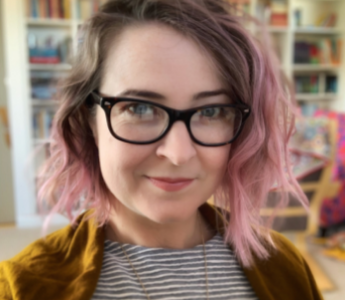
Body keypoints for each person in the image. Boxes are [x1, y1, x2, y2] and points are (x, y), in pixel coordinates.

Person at [0, 0, 323, 299]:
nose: (179, 153)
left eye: (211, 112)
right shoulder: (22, 286)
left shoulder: (286, 269)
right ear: (89, 122)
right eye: (140, 109)